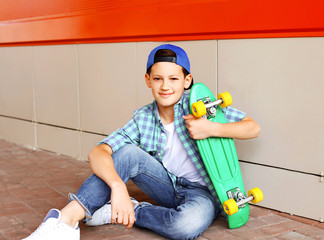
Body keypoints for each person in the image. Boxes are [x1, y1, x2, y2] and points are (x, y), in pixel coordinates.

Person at [23, 44, 260, 240]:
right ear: (148, 80)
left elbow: (252, 127)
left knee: (185, 226)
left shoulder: (202, 106)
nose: (165, 86)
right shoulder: (143, 118)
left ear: (187, 80)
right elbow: (98, 152)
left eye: (173, 78)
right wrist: (117, 187)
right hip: (166, 185)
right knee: (126, 153)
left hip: (204, 193)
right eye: (158, 78)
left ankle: (130, 210)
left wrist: (212, 128)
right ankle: (64, 221)